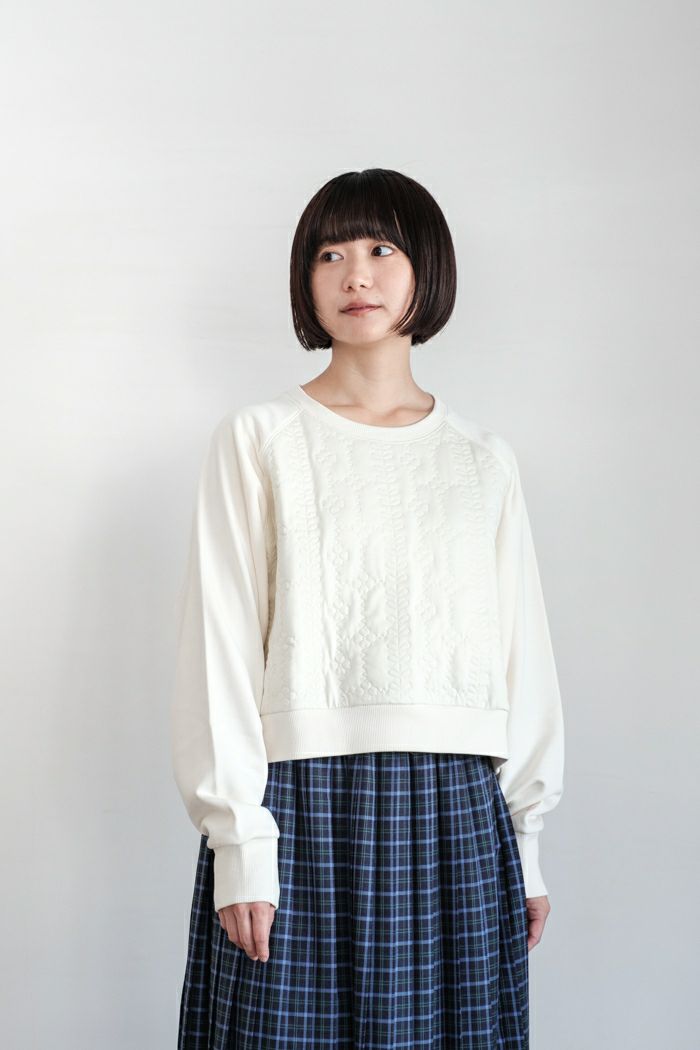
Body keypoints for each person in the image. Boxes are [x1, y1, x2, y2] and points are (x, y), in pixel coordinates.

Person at [171, 168, 565, 1049]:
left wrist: (527, 842)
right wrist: (240, 841)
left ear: (427, 266)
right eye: (330, 254)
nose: (356, 274)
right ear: (306, 280)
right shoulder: (260, 439)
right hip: (299, 803)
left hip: (458, 809)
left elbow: (520, 653)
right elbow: (220, 645)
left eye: (382, 248)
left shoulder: (482, 459)